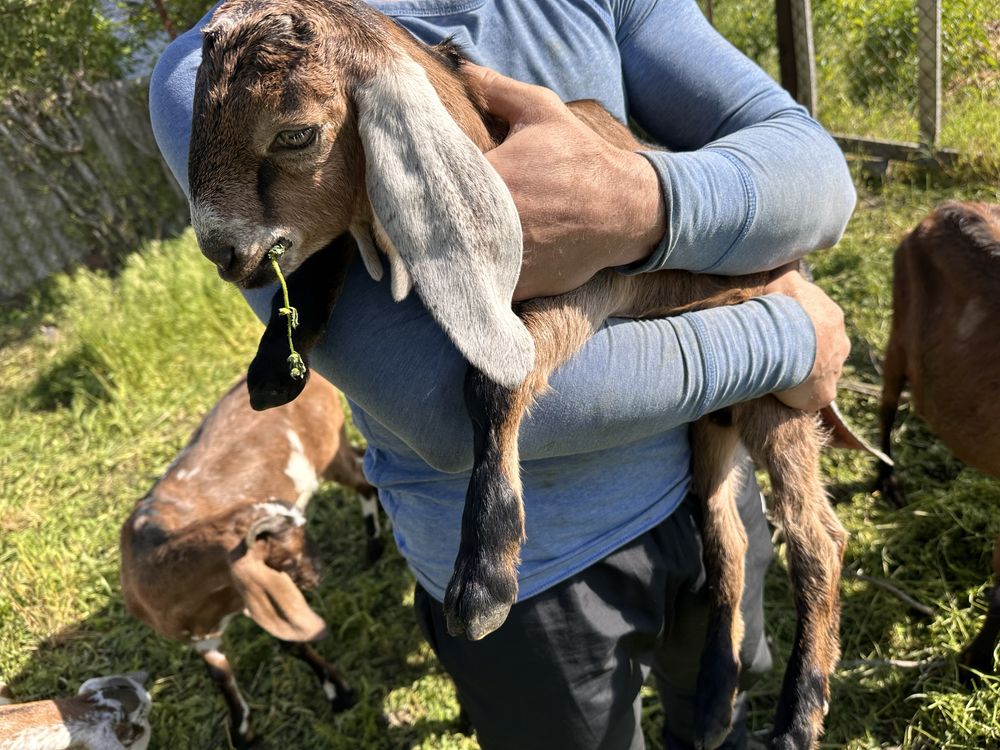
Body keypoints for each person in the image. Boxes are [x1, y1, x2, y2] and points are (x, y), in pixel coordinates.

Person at [149, 0, 855, 747]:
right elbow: (446, 413)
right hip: (524, 573)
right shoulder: (226, 69)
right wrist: (787, 336)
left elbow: (816, 180)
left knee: (721, 722)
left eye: (296, 140)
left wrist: (634, 204)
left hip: (710, 488)